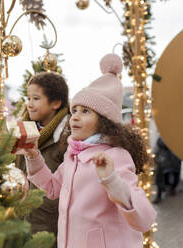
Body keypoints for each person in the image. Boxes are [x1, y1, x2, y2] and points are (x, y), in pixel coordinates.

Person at [22, 54, 157, 248]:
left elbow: (144, 218)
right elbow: (51, 188)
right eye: (74, 110)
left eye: (85, 111)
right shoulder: (73, 156)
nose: (75, 117)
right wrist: (33, 155)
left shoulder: (115, 156)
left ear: (104, 121)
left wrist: (111, 180)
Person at [15, 71, 70, 247]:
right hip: (24, 219)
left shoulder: (67, 138)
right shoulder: (24, 132)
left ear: (55, 103)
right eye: (28, 98)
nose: (29, 104)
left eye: (36, 98)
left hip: (51, 225)